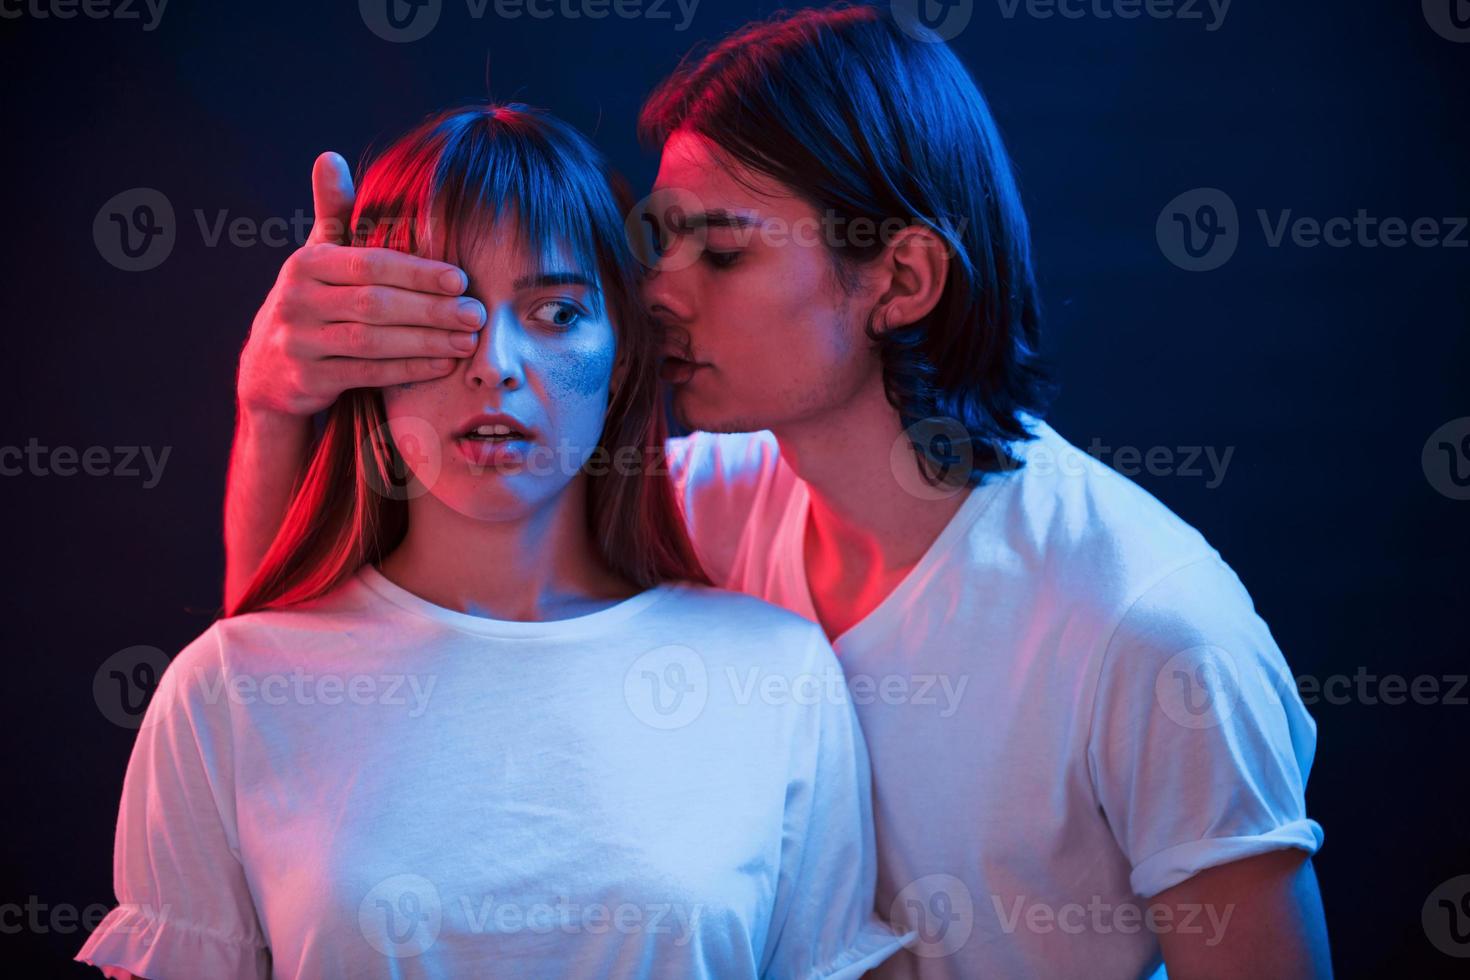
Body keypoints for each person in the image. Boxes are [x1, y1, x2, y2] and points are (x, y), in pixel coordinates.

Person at [215, 5, 1333, 978]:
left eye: (724, 253)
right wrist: (274, 404)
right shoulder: (695, 504)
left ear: (899, 278)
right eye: (658, 243)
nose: (654, 292)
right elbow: (300, 696)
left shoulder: (1150, 631)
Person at [76, 103, 909, 980]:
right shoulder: (226, 689)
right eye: (445, 310)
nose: (496, 363)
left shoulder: (776, 675)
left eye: (555, 313)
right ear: (360, 341)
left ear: (624, 355)